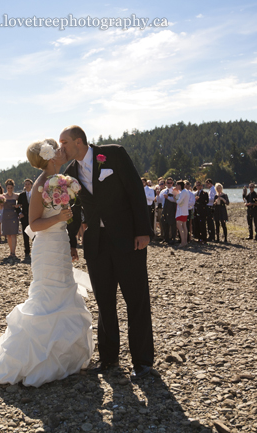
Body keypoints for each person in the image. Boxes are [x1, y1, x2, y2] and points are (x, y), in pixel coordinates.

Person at [0, 138, 93, 387]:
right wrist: (60, 217)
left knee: (65, 290)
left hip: (61, 243)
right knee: (47, 296)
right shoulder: (41, 185)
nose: (63, 151)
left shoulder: (60, 179)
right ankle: (33, 360)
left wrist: (66, 225)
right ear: (51, 156)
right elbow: (33, 224)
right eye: (58, 149)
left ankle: (65, 356)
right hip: (47, 246)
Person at [61, 125, 154, 379]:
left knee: (136, 299)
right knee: (104, 301)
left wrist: (143, 231)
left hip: (128, 239)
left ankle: (143, 361)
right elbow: (74, 210)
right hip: (96, 244)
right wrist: (71, 242)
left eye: (64, 142)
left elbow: (135, 191)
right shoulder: (69, 173)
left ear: (79, 142)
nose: (61, 148)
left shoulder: (113, 154)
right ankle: (109, 358)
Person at [2, 179, 21, 258]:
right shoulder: (3, 196)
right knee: (8, 235)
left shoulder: (16, 196)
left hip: (13, 215)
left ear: (13, 187)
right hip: (6, 215)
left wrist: (18, 206)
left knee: (14, 234)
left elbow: (21, 204)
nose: (10, 189)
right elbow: (0, 207)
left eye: (11, 187)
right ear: (6, 188)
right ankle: (10, 250)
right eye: (8, 187)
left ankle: (14, 251)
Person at [18, 179, 33, 258]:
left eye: (28, 184)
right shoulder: (22, 195)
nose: (27, 185)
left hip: (34, 216)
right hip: (24, 216)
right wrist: (20, 213)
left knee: (35, 234)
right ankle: (27, 251)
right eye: (26, 184)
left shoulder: (35, 194)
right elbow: (18, 206)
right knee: (25, 234)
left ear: (31, 185)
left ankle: (35, 249)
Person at [159, 177, 177, 243]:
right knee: (164, 223)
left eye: (170, 183)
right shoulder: (163, 191)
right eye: (168, 183)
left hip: (171, 209)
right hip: (164, 208)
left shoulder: (175, 190)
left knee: (172, 224)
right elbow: (160, 200)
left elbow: (176, 200)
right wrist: (157, 195)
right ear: (166, 183)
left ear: (172, 183)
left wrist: (168, 197)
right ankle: (165, 238)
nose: (169, 184)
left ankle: (173, 238)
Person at [172, 180, 190, 247]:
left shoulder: (183, 192)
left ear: (180, 185)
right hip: (184, 211)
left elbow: (179, 202)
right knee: (184, 226)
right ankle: (185, 241)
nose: (176, 186)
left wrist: (175, 198)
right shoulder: (186, 191)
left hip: (181, 212)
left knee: (180, 226)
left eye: (177, 185)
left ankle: (183, 242)